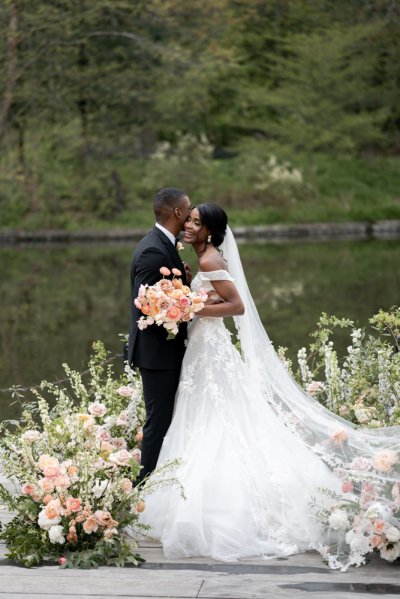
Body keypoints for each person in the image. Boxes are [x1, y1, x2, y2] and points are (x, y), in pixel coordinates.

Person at [138, 203, 400, 568]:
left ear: (210, 232)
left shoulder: (212, 260)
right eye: (189, 220)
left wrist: (192, 308)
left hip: (210, 349)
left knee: (218, 418)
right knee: (202, 415)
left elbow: (237, 306)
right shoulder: (203, 258)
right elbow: (213, 297)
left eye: (196, 223)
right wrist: (195, 299)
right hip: (201, 348)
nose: (188, 226)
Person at [128, 187, 191, 481]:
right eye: (188, 209)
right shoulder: (153, 250)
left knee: (167, 419)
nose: (191, 215)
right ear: (177, 212)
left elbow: (164, 293)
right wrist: (187, 304)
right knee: (159, 422)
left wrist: (183, 285)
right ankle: (144, 486)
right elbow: (147, 310)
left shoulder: (165, 245)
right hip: (158, 353)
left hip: (165, 352)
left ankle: (159, 481)